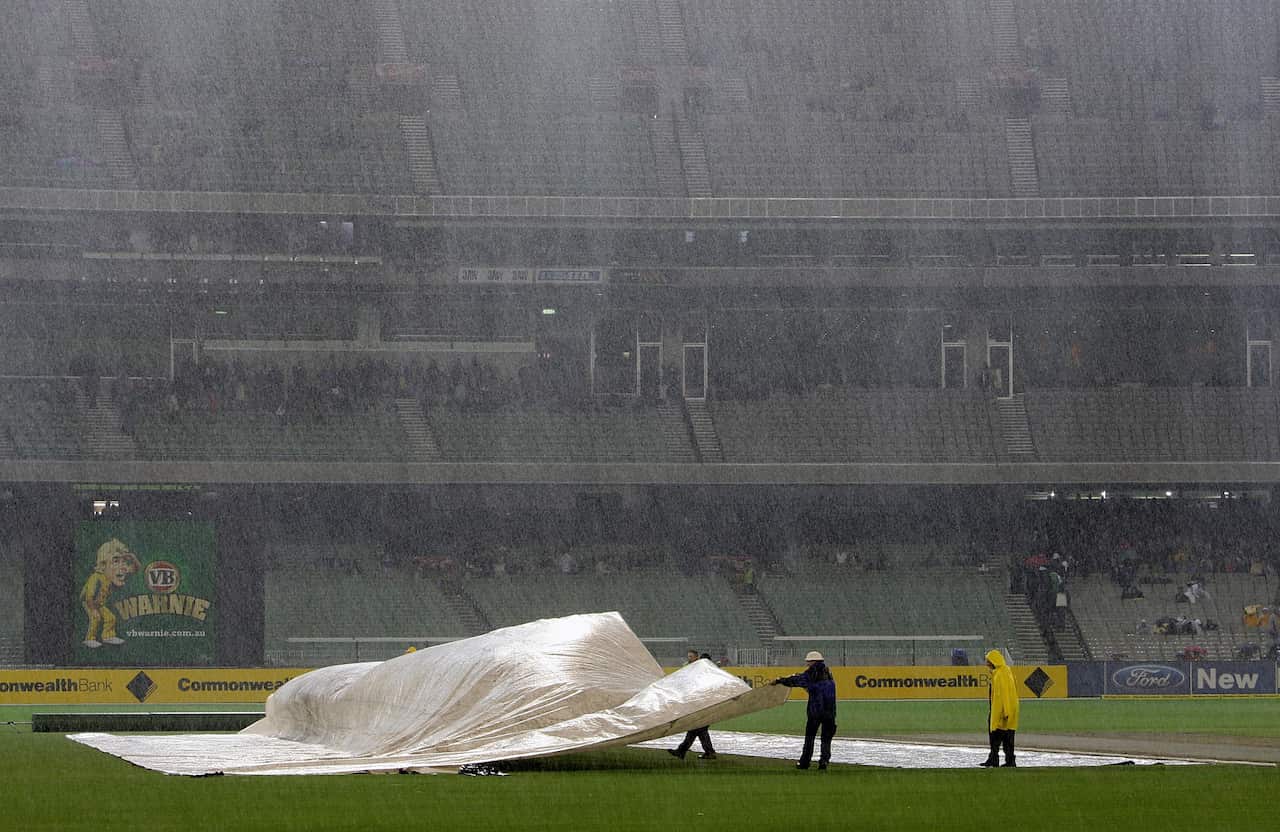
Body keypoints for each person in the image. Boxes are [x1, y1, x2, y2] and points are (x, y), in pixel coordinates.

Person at [771, 650, 837, 770]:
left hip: (816, 711)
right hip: (830, 711)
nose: (807, 664)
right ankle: (824, 762)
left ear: (813, 662)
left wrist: (780, 680)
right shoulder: (828, 673)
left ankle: (804, 762)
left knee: (810, 738)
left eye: (808, 662)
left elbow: (797, 680)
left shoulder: (811, 673)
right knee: (826, 739)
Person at [669, 651, 718, 760]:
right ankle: (705, 752)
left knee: (697, 728)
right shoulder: (710, 673)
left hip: (702, 704)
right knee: (698, 729)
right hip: (704, 704)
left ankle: (682, 751)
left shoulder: (705, 673)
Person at [979, 649, 1020, 768]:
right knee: (1003, 736)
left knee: (1001, 736)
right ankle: (999, 759)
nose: (986, 663)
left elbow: (1005, 694)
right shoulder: (1001, 672)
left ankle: (1004, 760)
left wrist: (1006, 711)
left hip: (1002, 711)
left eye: (988, 660)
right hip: (1001, 709)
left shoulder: (1001, 674)